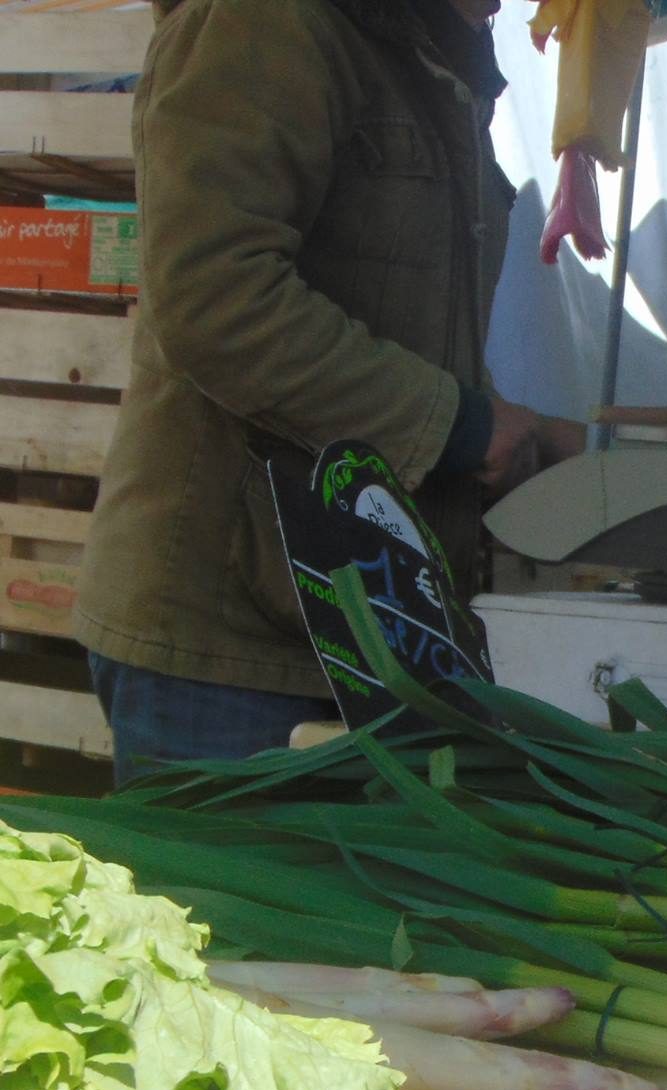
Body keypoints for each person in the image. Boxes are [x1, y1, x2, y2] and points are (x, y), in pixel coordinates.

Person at [75, 0, 585, 783]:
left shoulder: (428, 61)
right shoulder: (266, 21)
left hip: (368, 636)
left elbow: (396, 319)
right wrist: (458, 425)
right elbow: (214, 298)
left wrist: (522, 435)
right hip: (233, 648)